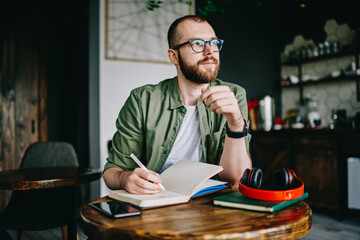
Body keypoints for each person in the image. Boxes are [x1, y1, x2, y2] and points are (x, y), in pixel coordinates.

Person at [103, 15, 252, 194]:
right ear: (174, 56)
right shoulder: (142, 99)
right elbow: (111, 172)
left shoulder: (234, 95)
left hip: (211, 207)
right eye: (197, 43)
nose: (209, 51)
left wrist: (236, 124)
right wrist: (126, 179)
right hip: (157, 207)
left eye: (213, 43)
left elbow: (236, 180)